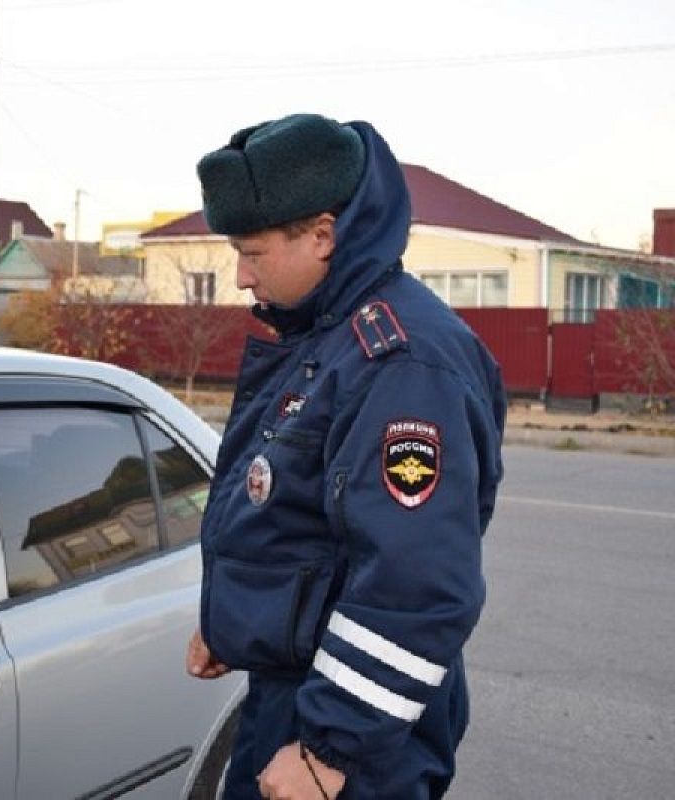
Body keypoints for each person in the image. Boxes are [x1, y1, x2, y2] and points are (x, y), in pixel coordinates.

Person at [185, 114, 506, 799]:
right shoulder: (325, 334)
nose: (240, 277)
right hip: (301, 692)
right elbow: (291, 513)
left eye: (253, 253)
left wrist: (329, 748)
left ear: (323, 235)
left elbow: (417, 580)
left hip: (355, 724)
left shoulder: (401, 361)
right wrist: (234, 622)